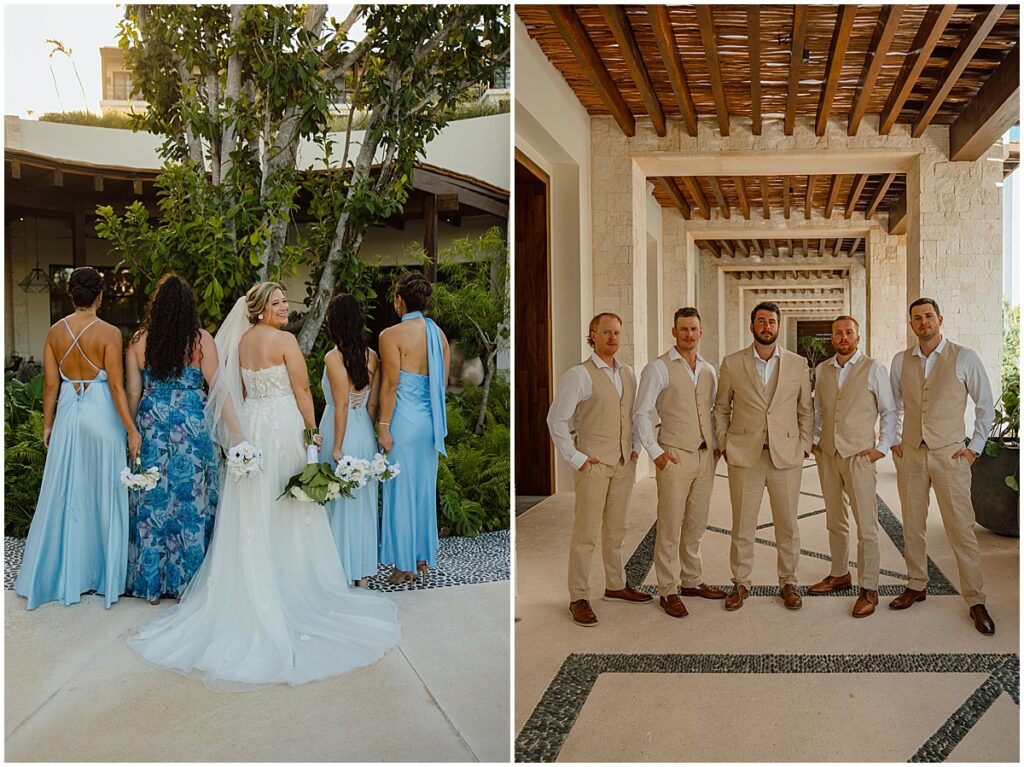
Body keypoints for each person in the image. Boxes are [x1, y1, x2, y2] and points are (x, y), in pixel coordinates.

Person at [128, 283, 400, 687]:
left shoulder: (238, 344)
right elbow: (302, 390)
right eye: (277, 303)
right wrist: (311, 431)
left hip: (253, 427)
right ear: (258, 310)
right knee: (290, 506)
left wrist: (238, 436)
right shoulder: (285, 341)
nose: (284, 309)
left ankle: (253, 581)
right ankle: (291, 583)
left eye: (285, 303)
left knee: (252, 508)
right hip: (283, 428)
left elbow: (231, 392)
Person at [15, 266, 141, 609]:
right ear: (100, 296)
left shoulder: (55, 332)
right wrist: (131, 429)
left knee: (66, 493)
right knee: (102, 492)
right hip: (102, 414)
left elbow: (50, 385)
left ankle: (64, 572)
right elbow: (116, 385)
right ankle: (102, 577)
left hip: (69, 413)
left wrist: (47, 425)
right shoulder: (110, 333)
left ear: (71, 295)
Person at [888, 298, 996, 635]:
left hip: (950, 455)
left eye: (928, 316)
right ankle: (917, 584)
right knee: (912, 525)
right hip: (912, 454)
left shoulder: (964, 357)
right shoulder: (900, 360)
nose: (923, 322)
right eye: (917, 318)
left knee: (961, 528)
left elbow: (985, 405)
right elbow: (892, 405)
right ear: (911, 324)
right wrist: (892, 439)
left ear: (940, 319)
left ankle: (975, 599)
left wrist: (974, 448)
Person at [546, 312, 650, 628]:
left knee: (617, 529)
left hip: (622, 464)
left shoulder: (629, 373)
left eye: (617, 332)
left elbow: (634, 415)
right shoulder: (579, 375)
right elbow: (556, 420)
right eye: (606, 332)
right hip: (593, 466)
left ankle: (616, 585)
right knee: (586, 533)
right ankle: (578, 596)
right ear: (593, 335)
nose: (613, 338)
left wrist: (635, 447)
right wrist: (576, 458)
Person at [124, 274, 220, 604]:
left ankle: (152, 587)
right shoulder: (200, 340)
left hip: (151, 419)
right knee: (191, 497)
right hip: (192, 420)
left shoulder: (139, 340)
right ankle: (188, 586)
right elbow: (217, 387)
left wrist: (132, 431)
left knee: (153, 500)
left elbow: (133, 391)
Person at [715, 301, 813, 611]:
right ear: (751, 326)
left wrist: (805, 445)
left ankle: (789, 582)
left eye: (771, 321)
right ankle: (741, 582)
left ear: (778, 326)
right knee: (743, 523)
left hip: (786, 456)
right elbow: (721, 408)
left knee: (788, 525)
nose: (766, 326)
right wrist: (724, 442)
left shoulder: (797, 364)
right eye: (760, 321)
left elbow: (805, 409)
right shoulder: (732, 363)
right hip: (746, 455)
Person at [633, 307, 725, 619]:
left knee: (697, 524)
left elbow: (711, 410)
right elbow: (641, 413)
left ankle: (692, 580)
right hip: (673, 456)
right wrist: (655, 452)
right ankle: (667, 589)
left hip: (704, 457)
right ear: (674, 332)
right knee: (670, 525)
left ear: (701, 332)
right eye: (683, 329)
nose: (689, 334)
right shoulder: (657, 368)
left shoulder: (709, 370)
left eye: (693, 329)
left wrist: (716, 446)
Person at [808, 315, 898, 617]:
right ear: (832, 339)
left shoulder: (873, 369)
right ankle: (839, 573)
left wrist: (880, 449)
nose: (843, 337)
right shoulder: (823, 370)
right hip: (829, 454)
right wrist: (816, 440)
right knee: (835, 519)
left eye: (849, 333)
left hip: (860, 456)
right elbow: (818, 409)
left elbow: (889, 411)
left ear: (858, 338)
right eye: (838, 333)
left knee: (867, 524)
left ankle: (869, 587)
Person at [377, 273, 450, 585]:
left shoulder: (391, 335)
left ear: (399, 300)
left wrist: (383, 426)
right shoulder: (440, 336)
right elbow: (441, 386)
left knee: (400, 491)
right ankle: (420, 557)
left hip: (403, 421)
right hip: (429, 423)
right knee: (422, 489)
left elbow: (391, 385)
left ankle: (403, 565)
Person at [319, 294, 381, 586]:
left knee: (339, 503)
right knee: (363, 503)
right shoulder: (372, 356)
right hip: (364, 430)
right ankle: (363, 573)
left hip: (339, 429)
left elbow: (341, 404)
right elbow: (370, 404)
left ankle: (342, 572)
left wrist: (337, 446)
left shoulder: (333, 358)